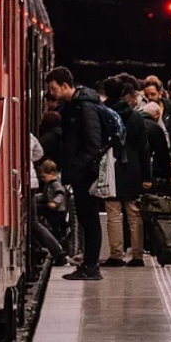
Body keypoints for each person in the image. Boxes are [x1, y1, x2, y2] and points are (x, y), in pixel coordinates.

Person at [45, 66, 105, 282]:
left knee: (90, 219)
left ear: (64, 85)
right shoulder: (72, 106)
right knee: (86, 219)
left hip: (86, 173)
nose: (52, 93)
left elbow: (93, 144)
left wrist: (75, 168)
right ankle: (88, 265)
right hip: (80, 173)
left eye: (54, 88)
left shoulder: (85, 107)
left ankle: (91, 267)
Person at [104, 76, 152, 268]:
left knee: (113, 212)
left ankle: (116, 255)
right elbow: (144, 148)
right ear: (123, 93)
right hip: (133, 168)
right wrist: (146, 176)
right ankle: (137, 255)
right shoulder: (136, 116)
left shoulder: (102, 113)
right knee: (134, 212)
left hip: (110, 168)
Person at [32, 159, 70, 267]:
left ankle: (61, 251)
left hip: (57, 211)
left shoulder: (56, 184)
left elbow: (60, 194)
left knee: (57, 230)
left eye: (44, 177)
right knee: (54, 230)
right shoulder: (50, 184)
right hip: (53, 210)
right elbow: (45, 196)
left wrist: (54, 202)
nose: (43, 179)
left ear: (52, 173)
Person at [140, 100, 171, 183]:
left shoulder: (135, 122)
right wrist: (168, 175)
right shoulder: (155, 128)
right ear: (156, 115)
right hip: (147, 166)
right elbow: (162, 154)